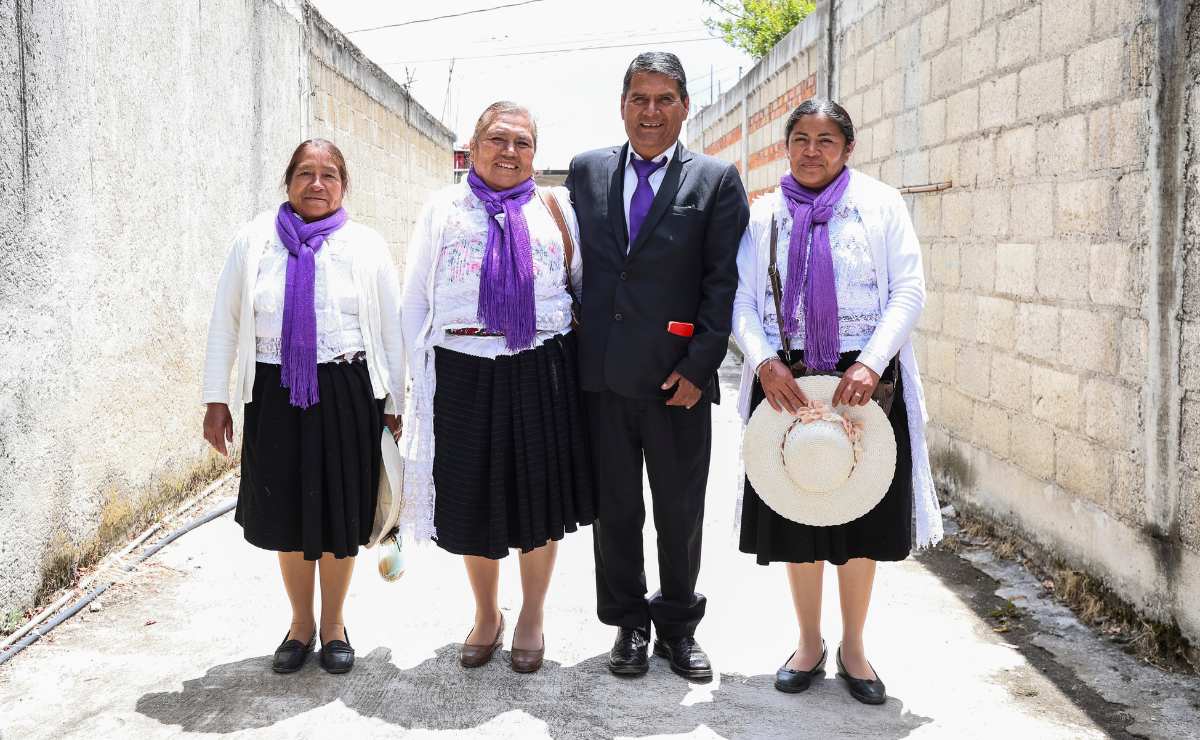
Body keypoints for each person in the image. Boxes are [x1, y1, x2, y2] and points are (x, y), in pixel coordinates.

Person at [732, 99, 943, 704]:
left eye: (826, 141)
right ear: (787, 146)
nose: (811, 151)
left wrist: (871, 362)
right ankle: (807, 642)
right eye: (800, 138)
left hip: (866, 385)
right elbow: (742, 302)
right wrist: (764, 362)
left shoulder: (880, 205)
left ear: (848, 149)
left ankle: (854, 647)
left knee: (858, 517)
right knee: (800, 514)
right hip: (787, 383)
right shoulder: (763, 215)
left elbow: (908, 290)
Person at [565, 52, 750, 681]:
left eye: (664, 99)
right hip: (604, 379)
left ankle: (677, 626)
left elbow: (722, 284)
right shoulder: (587, 172)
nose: (651, 112)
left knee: (679, 510)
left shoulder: (716, 181)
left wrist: (701, 367)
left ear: (684, 106)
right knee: (615, 509)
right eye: (639, 99)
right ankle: (628, 624)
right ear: (622, 105)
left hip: (679, 383)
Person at [401, 101, 593, 674]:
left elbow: (579, 284)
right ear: (474, 146)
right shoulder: (443, 210)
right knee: (471, 497)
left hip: (540, 367)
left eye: (522, 143)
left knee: (538, 498)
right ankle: (487, 613)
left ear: (535, 152)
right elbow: (414, 299)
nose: (509, 152)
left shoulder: (557, 210)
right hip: (461, 368)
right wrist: (413, 382)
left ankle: (532, 615)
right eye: (497, 140)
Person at [201, 139, 406, 675]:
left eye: (330, 174)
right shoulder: (254, 242)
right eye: (306, 173)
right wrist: (216, 399)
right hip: (274, 393)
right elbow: (226, 322)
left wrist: (395, 400)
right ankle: (300, 625)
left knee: (341, 512)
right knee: (287, 511)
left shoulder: (365, 245)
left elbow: (391, 326)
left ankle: (335, 625)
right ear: (288, 182)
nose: (317, 184)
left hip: (346, 390)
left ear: (344, 186)